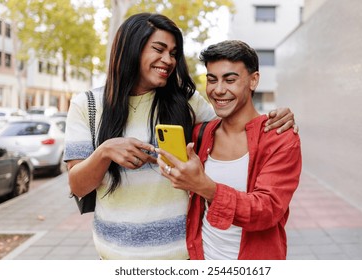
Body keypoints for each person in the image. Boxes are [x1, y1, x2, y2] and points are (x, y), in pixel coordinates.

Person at [64, 13, 297, 260]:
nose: (168, 60)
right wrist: (105, 152)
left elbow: (233, 120)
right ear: (132, 48)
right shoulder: (88, 105)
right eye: (159, 49)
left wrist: (275, 119)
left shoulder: (187, 103)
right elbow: (78, 186)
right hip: (116, 256)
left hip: (183, 256)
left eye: (173, 53)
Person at [156, 40, 302, 260]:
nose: (219, 90)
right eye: (212, 80)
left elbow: (267, 210)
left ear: (254, 80)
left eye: (230, 80)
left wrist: (206, 188)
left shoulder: (280, 138)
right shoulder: (200, 134)